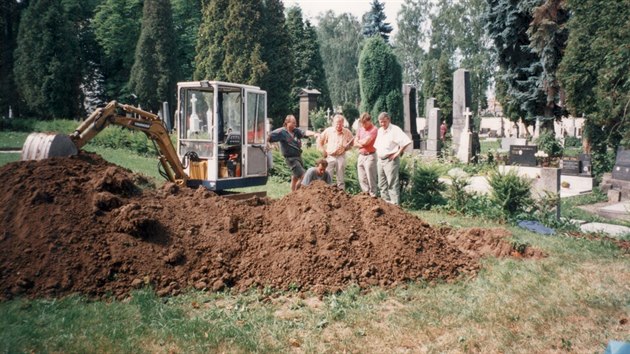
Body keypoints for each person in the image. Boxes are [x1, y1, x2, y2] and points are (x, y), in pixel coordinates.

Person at [268, 115, 317, 192]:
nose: (295, 124)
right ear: (287, 123)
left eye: (295, 123)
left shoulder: (296, 131)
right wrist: (267, 144)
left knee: (295, 177)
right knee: (303, 176)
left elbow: (305, 132)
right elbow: (269, 135)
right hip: (291, 159)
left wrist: (314, 134)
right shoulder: (281, 132)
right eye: (293, 123)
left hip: (298, 156)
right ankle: (296, 193)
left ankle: (292, 194)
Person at [373, 112, 412, 205]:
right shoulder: (380, 130)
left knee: (392, 184)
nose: (382, 124)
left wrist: (397, 153)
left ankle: (395, 206)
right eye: (380, 122)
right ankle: (385, 205)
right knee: (381, 184)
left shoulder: (395, 130)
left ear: (389, 120)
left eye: (384, 122)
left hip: (390, 161)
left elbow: (406, 141)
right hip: (380, 160)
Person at [317, 114, 354, 189]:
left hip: (341, 156)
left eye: (340, 123)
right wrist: (322, 150)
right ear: (333, 123)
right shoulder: (328, 131)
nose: (338, 125)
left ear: (343, 123)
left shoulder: (347, 132)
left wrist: (347, 148)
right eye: (337, 123)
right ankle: (327, 194)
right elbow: (319, 140)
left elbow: (352, 143)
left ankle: (341, 196)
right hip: (330, 156)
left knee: (340, 179)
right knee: (327, 176)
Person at [354, 112, 378, 196]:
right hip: (361, 155)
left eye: (365, 123)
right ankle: (366, 194)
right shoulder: (360, 129)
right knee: (362, 178)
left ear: (369, 121)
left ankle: (373, 195)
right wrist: (361, 143)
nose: (363, 125)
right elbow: (354, 143)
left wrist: (359, 142)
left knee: (371, 178)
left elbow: (367, 142)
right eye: (362, 123)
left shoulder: (374, 129)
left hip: (370, 155)